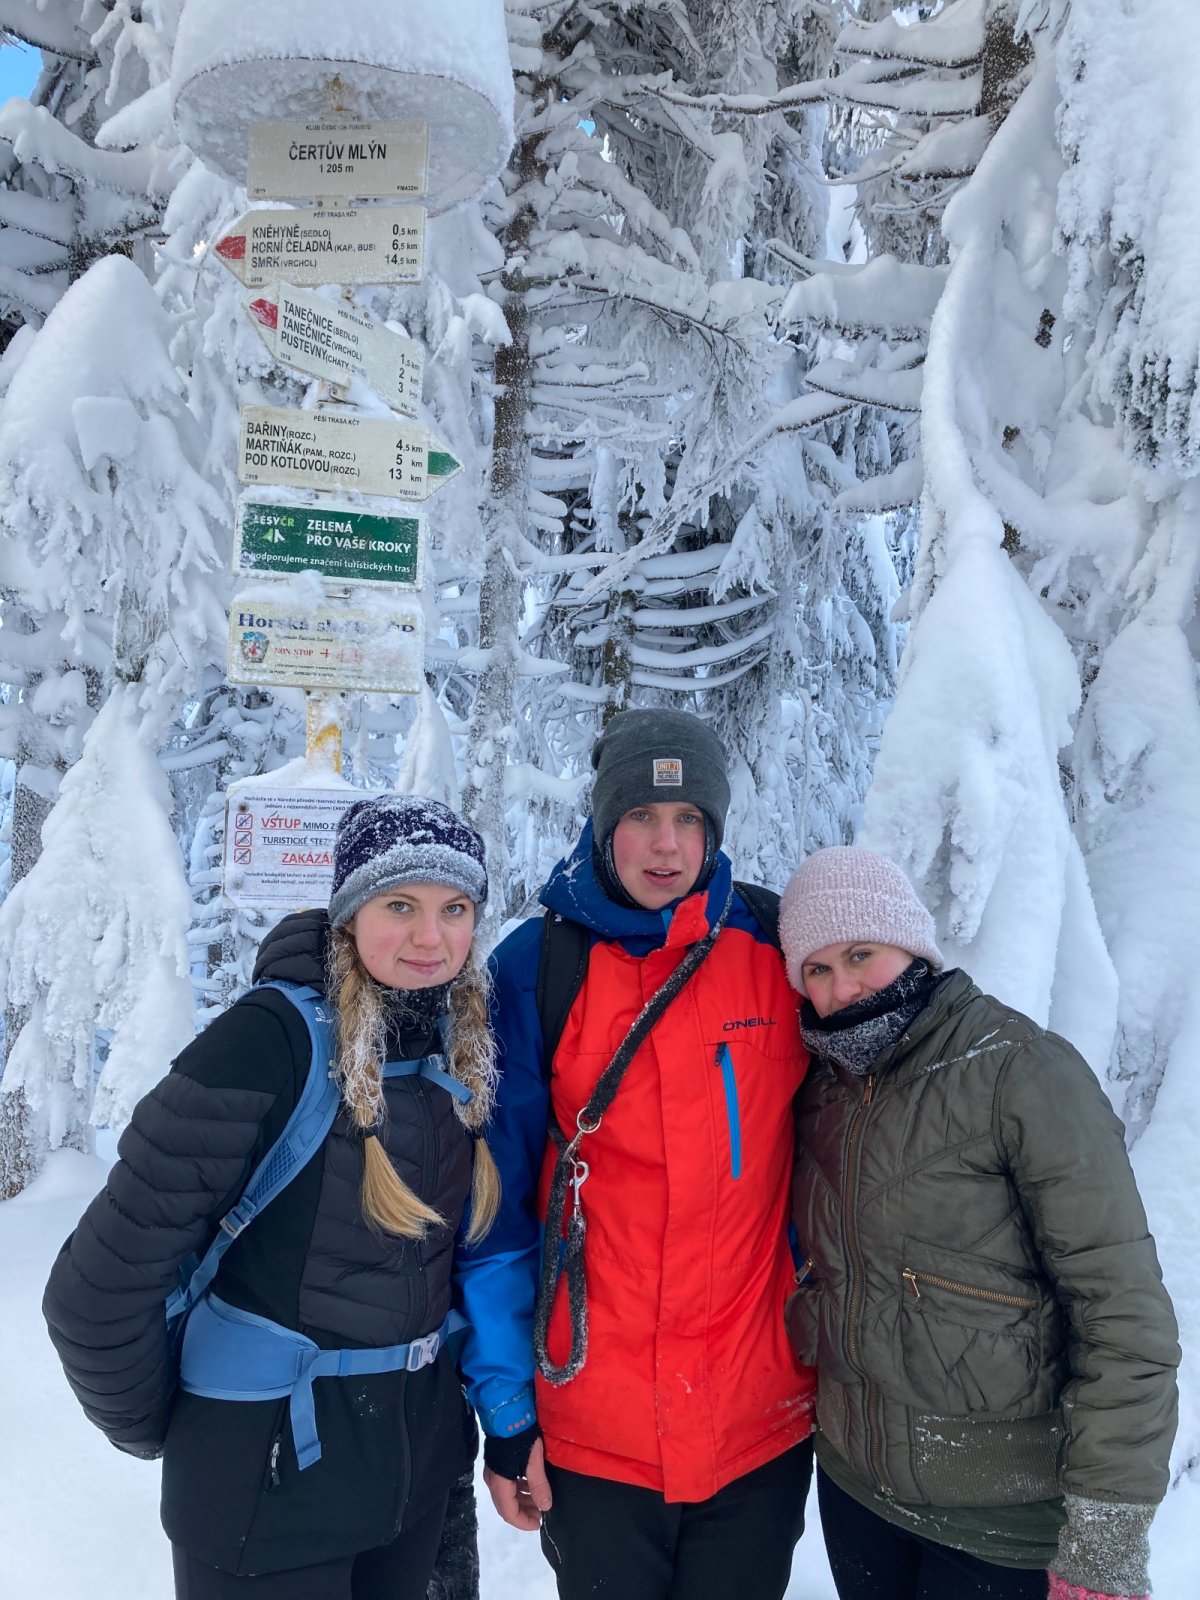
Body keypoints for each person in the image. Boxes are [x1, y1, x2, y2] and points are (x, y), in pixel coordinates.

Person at [43, 795, 498, 1600]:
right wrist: (188, 1429)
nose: (431, 938)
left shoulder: (458, 1045)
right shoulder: (269, 1042)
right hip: (264, 1493)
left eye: (454, 909)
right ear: (349, 914)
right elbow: (96, 1292)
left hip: (411, 1487)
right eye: (400, 906)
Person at [455, 709, 817, 1600]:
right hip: (596, 1429)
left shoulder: (777, 949)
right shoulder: (537, 967)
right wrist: (508, 1413)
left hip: (755, 1425)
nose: (666, 844)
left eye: (689, 818)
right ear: (602, 823)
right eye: (643, 817)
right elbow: (495, 1214)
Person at [777, 845, 1180, 1600]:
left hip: (1000, 1519)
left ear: (911, 944)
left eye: (861, 955)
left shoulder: (1021, 1070)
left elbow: (1121, 1308)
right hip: (857, 1493)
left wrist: (1107, 1533)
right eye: (817, 970)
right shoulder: (823, 1090)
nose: (842, 988)